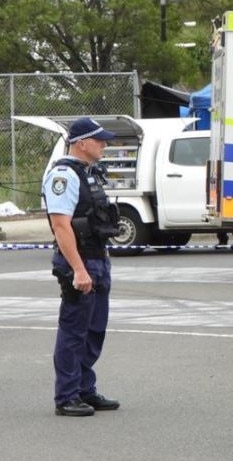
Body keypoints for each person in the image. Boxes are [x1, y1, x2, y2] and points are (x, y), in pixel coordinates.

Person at [41, 117, 121, 417]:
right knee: (74, 331)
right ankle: (67, 396)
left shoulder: (88, 174)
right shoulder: (63, 175)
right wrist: (78, 269)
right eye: (99, 140)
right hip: (81, 263)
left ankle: (85, 389)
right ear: (81, 143)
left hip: (97, 259)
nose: (104, 145)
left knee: (94, 330)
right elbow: (61, 226)